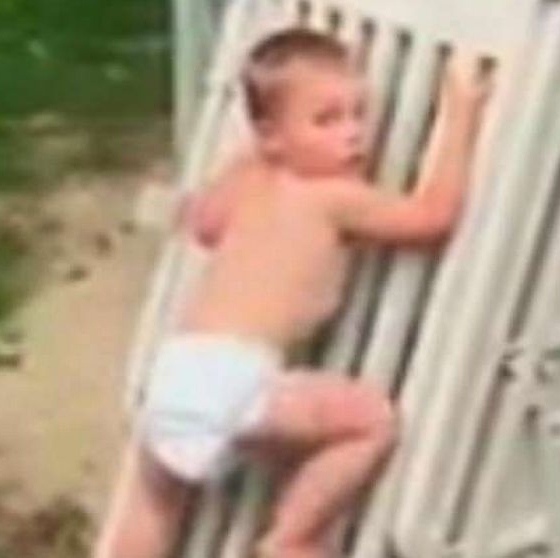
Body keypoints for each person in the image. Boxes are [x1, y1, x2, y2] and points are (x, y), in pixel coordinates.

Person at [96, 27, 492, 558]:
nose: (352, 134)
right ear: (272, 134)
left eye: (358, 114)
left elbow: (205, 225)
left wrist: (254, 155)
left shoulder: (251, 181)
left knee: (155, 504)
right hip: (237, 380)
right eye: (326, 120)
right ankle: (293, 538)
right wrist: (461, 113)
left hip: (175, 375)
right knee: (369, 422)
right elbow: (431, 218)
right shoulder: (332, 198)